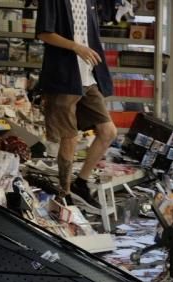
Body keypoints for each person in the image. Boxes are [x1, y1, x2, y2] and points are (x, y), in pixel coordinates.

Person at [36, 0, 117, 205]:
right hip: (64, 76)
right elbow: (44, 33)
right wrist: (75, 47)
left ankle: (81, 181)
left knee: (108, 132)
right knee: (69, 138)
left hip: (88, 76)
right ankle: (65, 193)